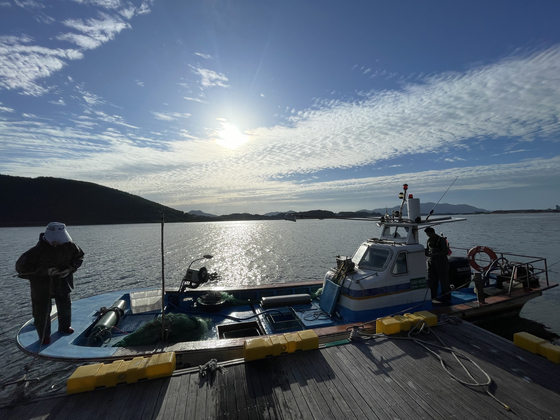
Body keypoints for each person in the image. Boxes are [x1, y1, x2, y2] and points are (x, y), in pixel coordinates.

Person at [16, 222, 84, 345]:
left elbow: (79, 257)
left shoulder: (71, 246)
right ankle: (44, 336)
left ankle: (65, 327)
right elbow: (21, 268)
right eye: (55, 241)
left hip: (63, 283)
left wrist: (69, 269)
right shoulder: (35, 252)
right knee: (41, 311)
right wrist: (45, 271)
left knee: (65, 306)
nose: (58, 243)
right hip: (41, 287)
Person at [424, 227, 451, 304]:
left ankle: (446, 296)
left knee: (444, 280)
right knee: (432, 279)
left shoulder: (441, 240)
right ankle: (433, 295)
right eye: (427, 234)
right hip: (431, 263)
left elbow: (445, 252)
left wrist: (434, 254)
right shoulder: (429, 240)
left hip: (441, 262)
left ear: (432, 232)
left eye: (428, 234)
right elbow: (428, 249)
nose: (428, 235)